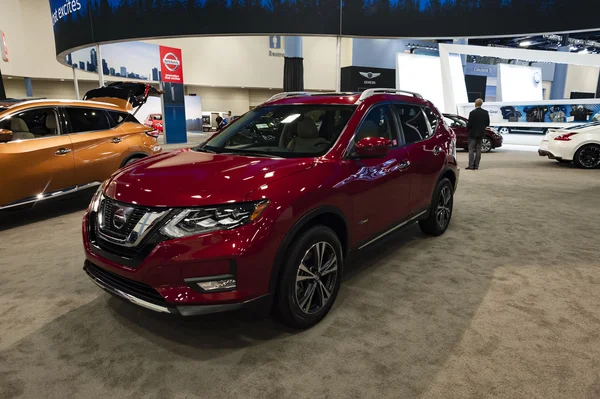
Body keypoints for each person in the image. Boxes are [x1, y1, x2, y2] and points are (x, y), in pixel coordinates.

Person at [466, 98, 490, 170]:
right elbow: (487, 123)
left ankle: (471, 165)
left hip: (472, 134)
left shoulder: (472, 113)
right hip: (481, 133)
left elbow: (469, 124)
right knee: (478, 149)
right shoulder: (485, 112)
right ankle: (476, 166)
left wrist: (468, 129)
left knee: (471, 149)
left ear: (475, 104)